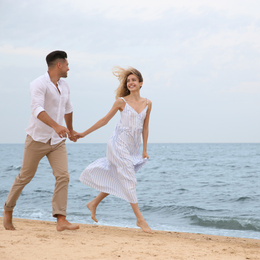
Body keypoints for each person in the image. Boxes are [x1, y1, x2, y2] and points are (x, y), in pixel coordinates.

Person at [3, 50, 80, 231]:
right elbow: (36, 109)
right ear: (59, 65)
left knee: (63, 176)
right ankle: (7, 210)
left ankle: (61, 219)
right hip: (37, 138)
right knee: (25, 176)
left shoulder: (65, 85)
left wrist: (69, 130)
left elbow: (68, 109)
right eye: (67, 64)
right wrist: (56, 126)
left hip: (56, 141)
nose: (69, 67)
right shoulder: (38, 84)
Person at [76, 66, 153, 233]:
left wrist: (144, 149)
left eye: (134, 80)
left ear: (140, 83)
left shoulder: (148, 103)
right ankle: (140, 219)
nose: (130, 82)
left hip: (133, 147)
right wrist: (83, 134)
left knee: (120, 177)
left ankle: (94, 203)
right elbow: (104, 120)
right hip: (118, 144)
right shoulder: (121, 102)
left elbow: (145, 128)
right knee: (129, 179)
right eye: (128, 81)